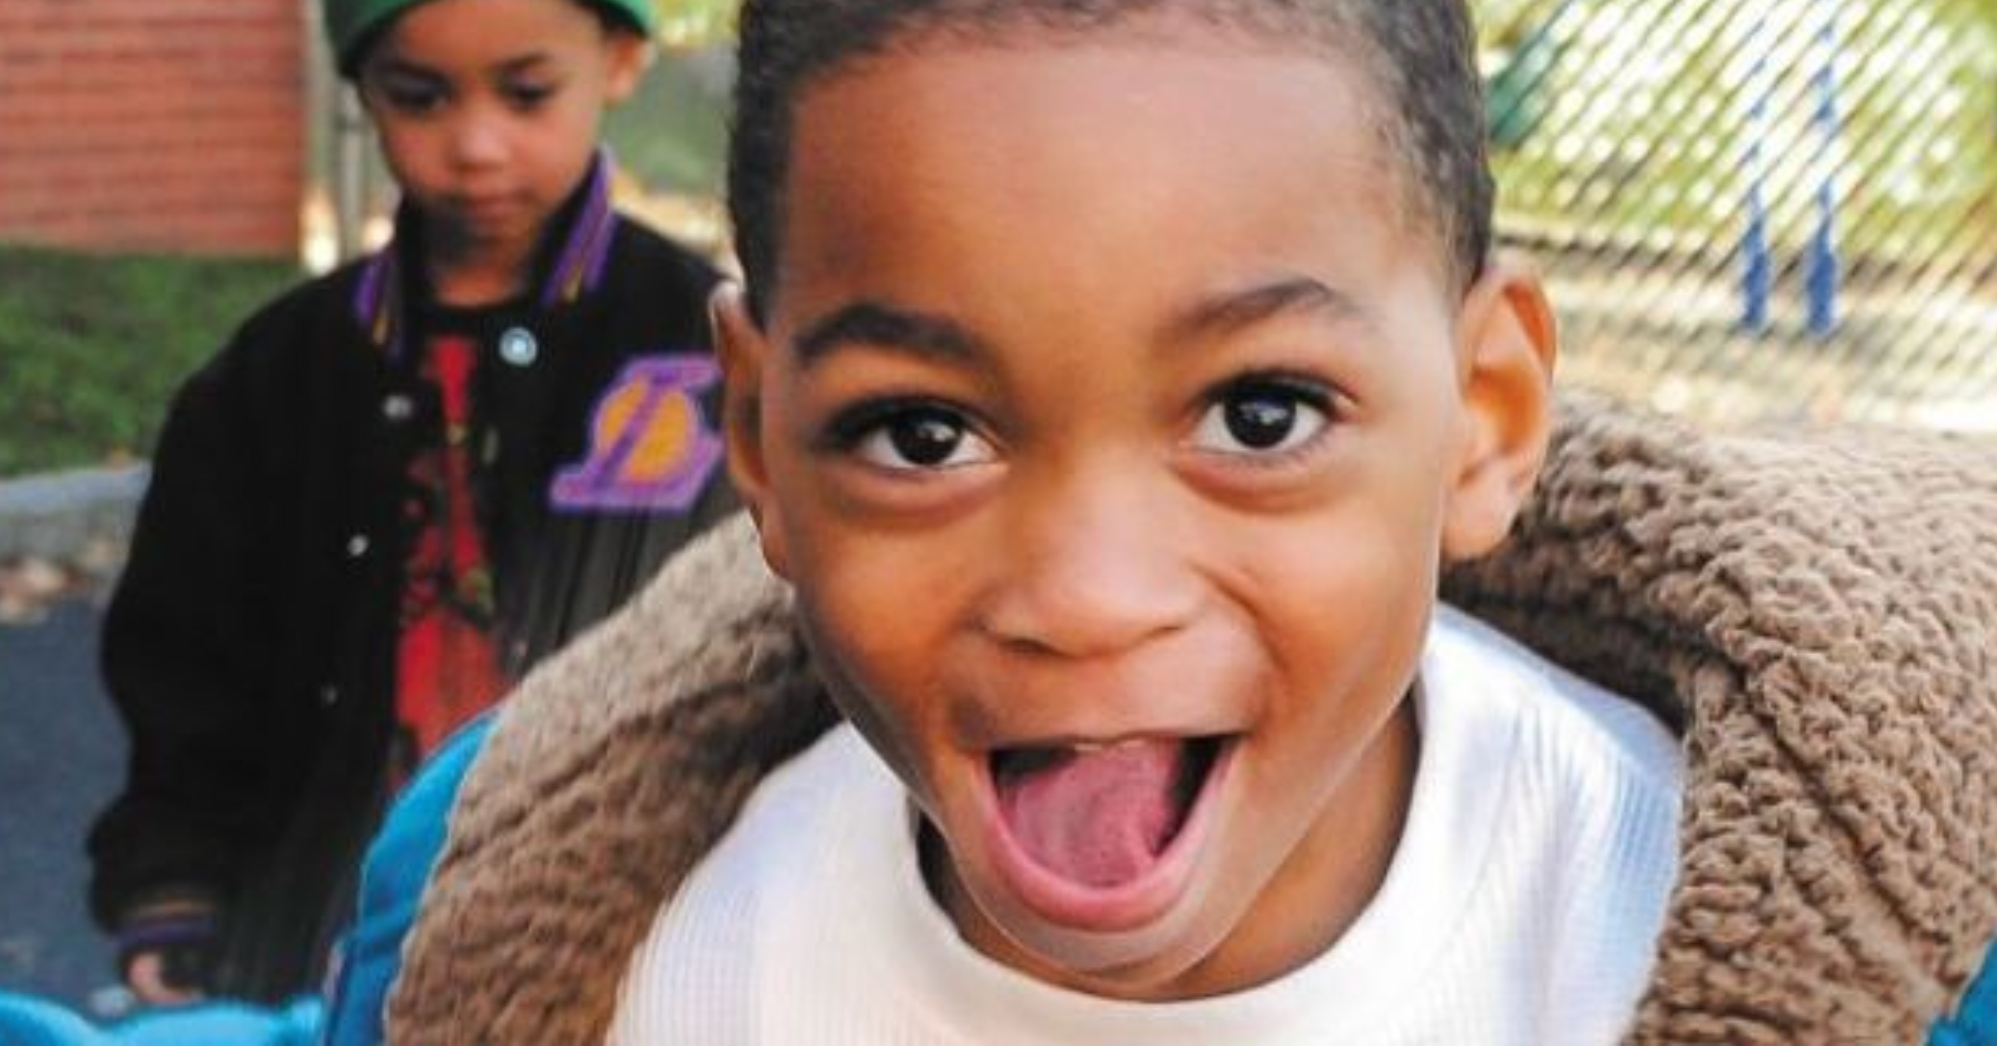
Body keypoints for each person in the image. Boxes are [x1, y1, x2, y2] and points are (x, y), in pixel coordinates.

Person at [329, 0, 1997, 1042]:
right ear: (760, 446)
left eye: (1257, 416)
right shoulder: (646, 972)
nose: (1084, 594)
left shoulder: (1676, 924)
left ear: (1484, 417)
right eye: (922, 432)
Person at [86, 0, 734, 1006]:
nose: (474, 146)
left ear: (617, 59)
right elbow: (187, 667)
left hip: (636, 941)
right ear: (360, 85)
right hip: (314, 943)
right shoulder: (271, 377)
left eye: (526, 92)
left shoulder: (713, 354)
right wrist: (174, 888)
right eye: (419, 95)